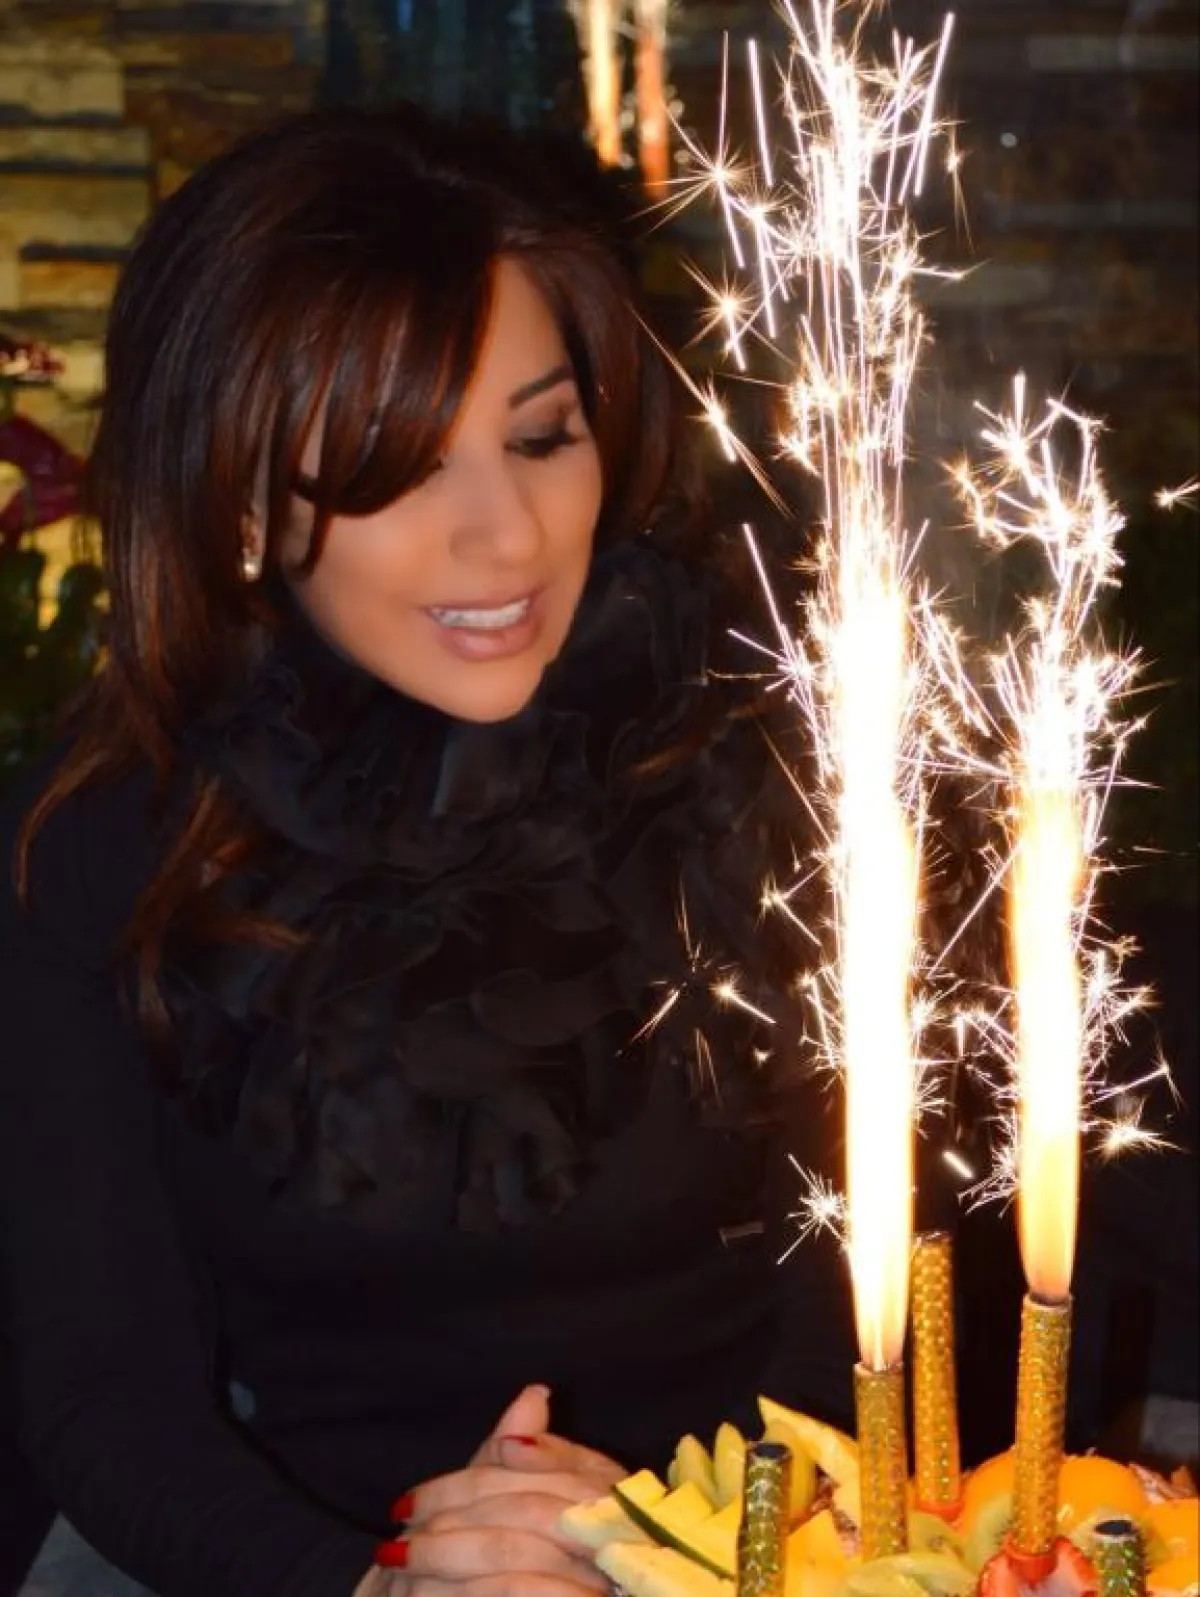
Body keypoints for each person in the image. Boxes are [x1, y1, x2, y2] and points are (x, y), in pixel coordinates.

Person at [0, 106, 854, 1597]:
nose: (505, 538)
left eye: (540, 436)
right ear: (236, 498)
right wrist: (378, 1585)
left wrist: (705, 1551)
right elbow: (106, 1396)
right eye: (389, 468)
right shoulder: (103, 845)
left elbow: (901, 1294)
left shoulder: (783, 765)